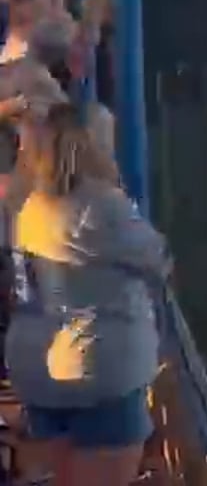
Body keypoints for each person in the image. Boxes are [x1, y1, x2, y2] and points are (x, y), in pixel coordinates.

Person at [6, 101, 170, 486]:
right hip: (99, 371)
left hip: (35, 372)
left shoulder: (22, 202)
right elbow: (158, 259)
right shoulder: (103, 205)